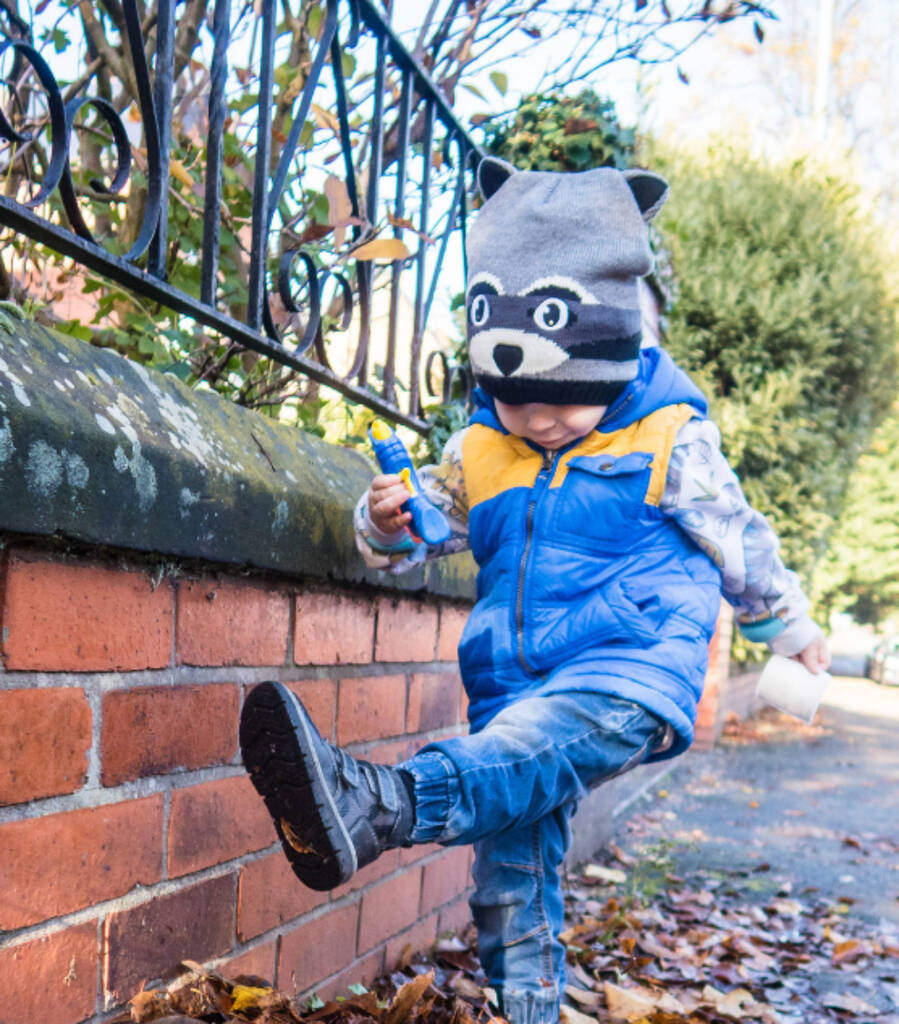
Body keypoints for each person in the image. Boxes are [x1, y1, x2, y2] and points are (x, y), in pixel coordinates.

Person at [239, 158, 831, 1024]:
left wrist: (789, 629)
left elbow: (734, 538)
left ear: (613, 356)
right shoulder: (477, 449)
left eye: (565, 405)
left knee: (521, 763)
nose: (541, 422)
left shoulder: (671, 434)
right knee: (510, 882)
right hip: (513, 696)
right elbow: (411, 542)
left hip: (628, 672)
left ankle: (381, 801)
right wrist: (383, 521)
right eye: (519, 405)